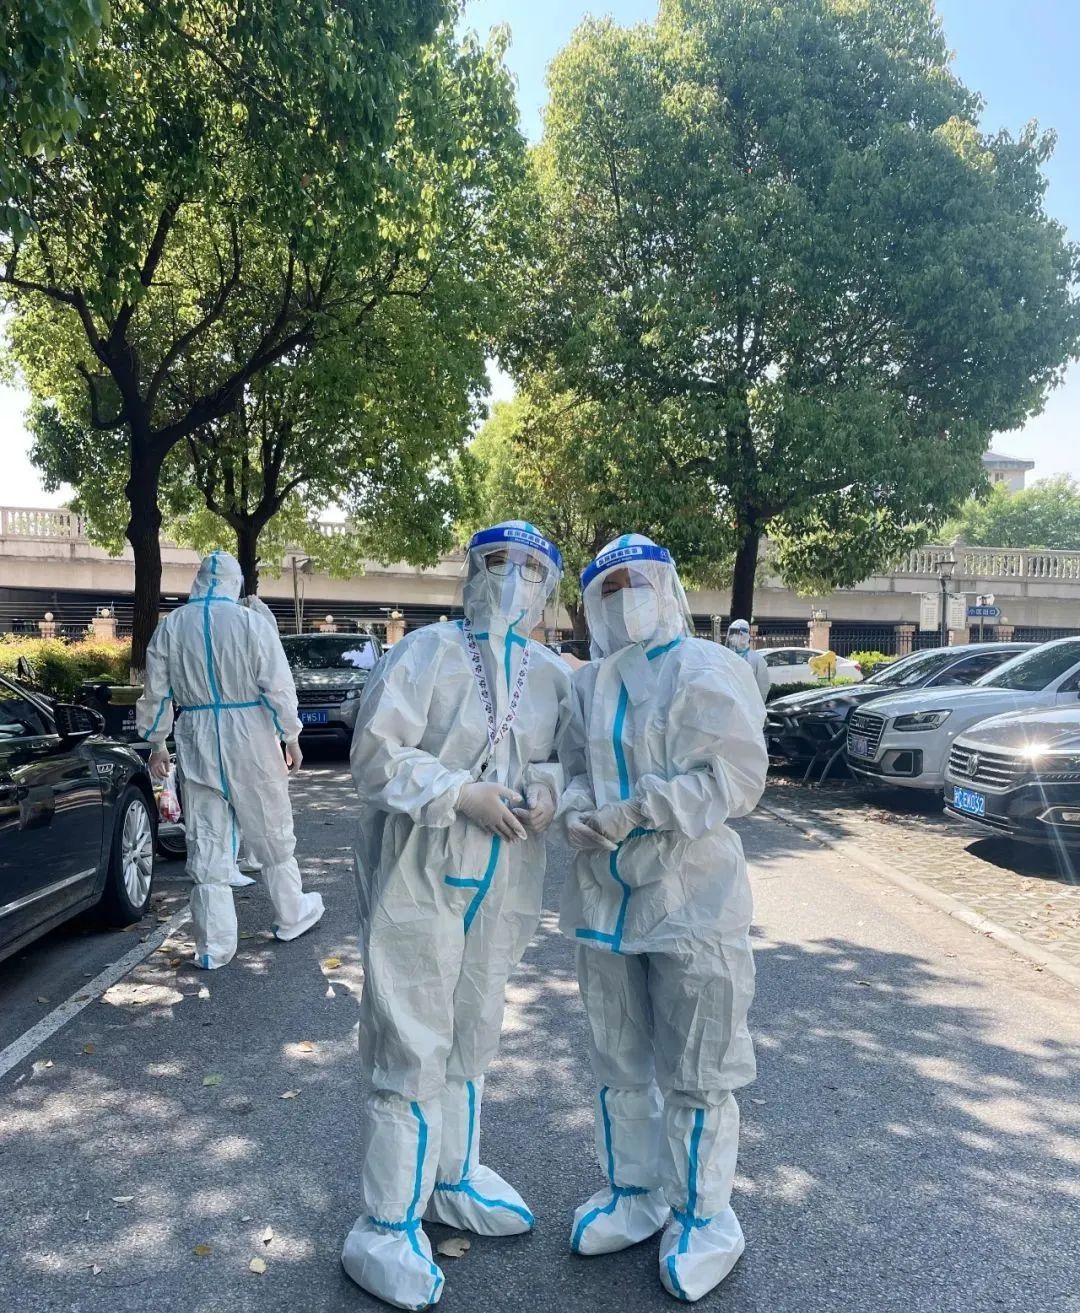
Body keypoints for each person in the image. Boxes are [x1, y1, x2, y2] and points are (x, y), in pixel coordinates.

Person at [342, 521, 573, 1311]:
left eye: (532, 569)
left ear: (550, 585)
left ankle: (452, 1176)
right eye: (499, 562)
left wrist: (548, 792)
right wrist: (457, 792)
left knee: (474, 1025)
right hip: (421, 866)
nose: (514, 579)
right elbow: (375, 755)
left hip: (505, 870)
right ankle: (385, 1223)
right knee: (411, 1034)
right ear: (472, 570)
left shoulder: (549, 671)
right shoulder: (426, 652)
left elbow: (562, 759)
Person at [558, 534, 768, 1303]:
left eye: (636, 581)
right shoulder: (589, 683)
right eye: (608, 587)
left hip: (692, 898)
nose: (625, 598)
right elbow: (572, 768)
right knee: (618, 1060)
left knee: (700, 1066)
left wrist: (641, 810)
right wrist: (579, 813)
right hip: (605, 901)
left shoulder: (705, 667)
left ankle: (705, 1215)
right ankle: (634, 1191)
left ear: (667, 587)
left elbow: (739, 776)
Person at [136, 551, 324, 969]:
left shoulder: (172, 627)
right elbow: (277, 686)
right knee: (271, 828)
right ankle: (291, 913)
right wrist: (290, 736)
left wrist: (158, 742)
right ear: (234, 582)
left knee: (206, 839)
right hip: (251, 734)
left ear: (199, 581)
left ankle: (213, 946)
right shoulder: (250, 623)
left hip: (197, 734)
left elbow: (157, 691)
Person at [726, 618, 771, 701]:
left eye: (736, 634)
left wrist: (756, 704)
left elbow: (763, 687)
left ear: (745, 636)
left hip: (749, 703)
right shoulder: (727, 656)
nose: (732, 637)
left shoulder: (756, 659)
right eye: (731, 634)